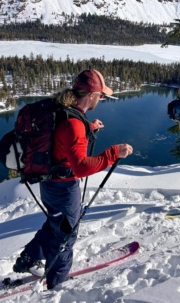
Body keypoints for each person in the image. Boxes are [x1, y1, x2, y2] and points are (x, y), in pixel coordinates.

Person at [13, 69, 133, 289]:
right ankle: (56, 283)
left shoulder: (64, 110)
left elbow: (63, 138)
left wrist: (90, 127)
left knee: (56, 224)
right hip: (64, 188)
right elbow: (81, 167)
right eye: (101, 95)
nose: (102, 99)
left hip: (49, 183)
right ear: (91, 95)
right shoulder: (74, 123)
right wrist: (114, 152)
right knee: (66, 235)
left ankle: (28, 259)